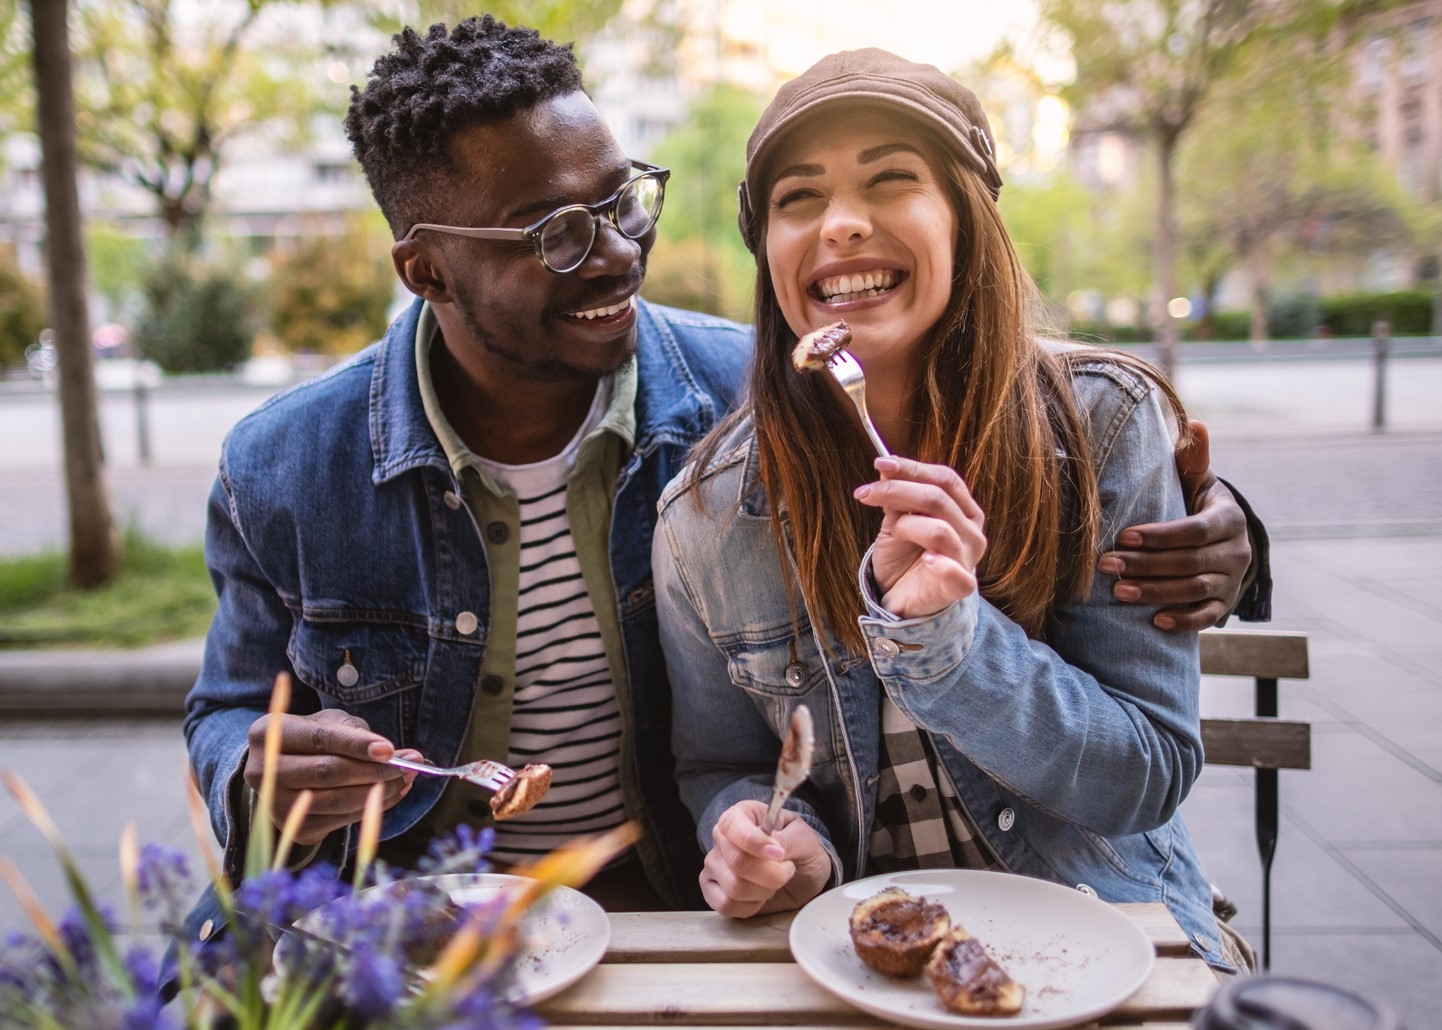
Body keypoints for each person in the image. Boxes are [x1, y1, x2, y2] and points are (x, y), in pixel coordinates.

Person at [182, 18, 1261, 927]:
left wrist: (1231, 538)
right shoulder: (286, 468)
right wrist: (254, 772)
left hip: (663, 908)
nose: (612, 253)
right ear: (426, 269)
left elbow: (998, 414)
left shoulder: (732, 400)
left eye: (621, 202)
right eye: (556, 232)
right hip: (395, 919)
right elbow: (227, 713)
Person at [652, 48, 1250, 971]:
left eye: (892, 180)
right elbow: (715, 764)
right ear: (767, 249)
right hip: (858, 962)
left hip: (1102, 930)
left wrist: (953, 642)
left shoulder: (1102, 426)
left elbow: (1146, 773)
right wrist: (774, 840)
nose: (843, 223)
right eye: (798, 198)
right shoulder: (705, 516)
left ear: (968, 218)